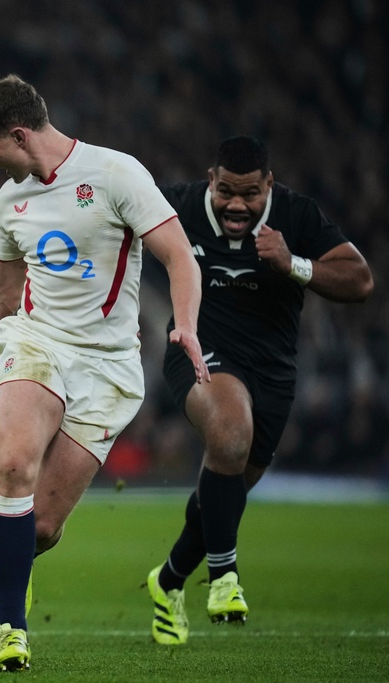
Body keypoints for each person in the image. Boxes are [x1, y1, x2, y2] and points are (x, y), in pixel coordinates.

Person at [0, 75, 209, 672]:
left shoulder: (116, 175)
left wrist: (184, 324)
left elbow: (178, 255)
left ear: (18, 133)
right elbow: (4, 292)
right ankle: (12, 630)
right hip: (36, 342)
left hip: (107, 366)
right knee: (12, 467)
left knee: (44, 529)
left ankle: (15, 574)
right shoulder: (11, 201)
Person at [145, 136, 373, 645]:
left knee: (227, 490)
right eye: (226, 191)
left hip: (273, 371)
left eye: (249, 194)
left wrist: (295, 263)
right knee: (229, 433)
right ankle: (225, 577)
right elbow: (115, 225)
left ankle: (168, 581)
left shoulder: (296, 215)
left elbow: (360, 281)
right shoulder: (176, 204)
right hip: (198, 349)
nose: (236, 205)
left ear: (268, 186)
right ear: (211, 179)